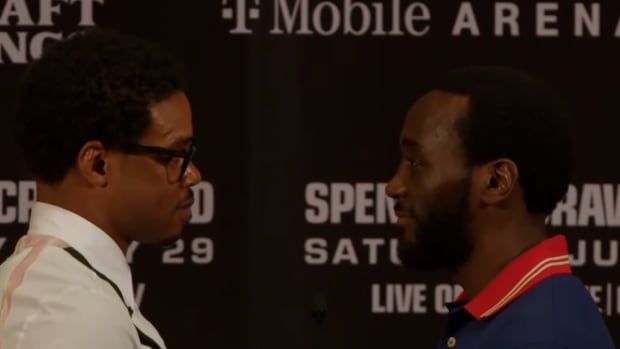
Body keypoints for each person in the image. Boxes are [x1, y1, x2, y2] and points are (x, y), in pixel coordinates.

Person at [385, 66, 615, 349]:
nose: (394, 186)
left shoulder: (544, 339)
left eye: (416, 163)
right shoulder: (508, 315)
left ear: (496, 181)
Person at [0, 28, 202, 349]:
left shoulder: (70, 294)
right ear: (97, 165)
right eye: (172, 155)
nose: (192, 175)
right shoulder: (70, 313)